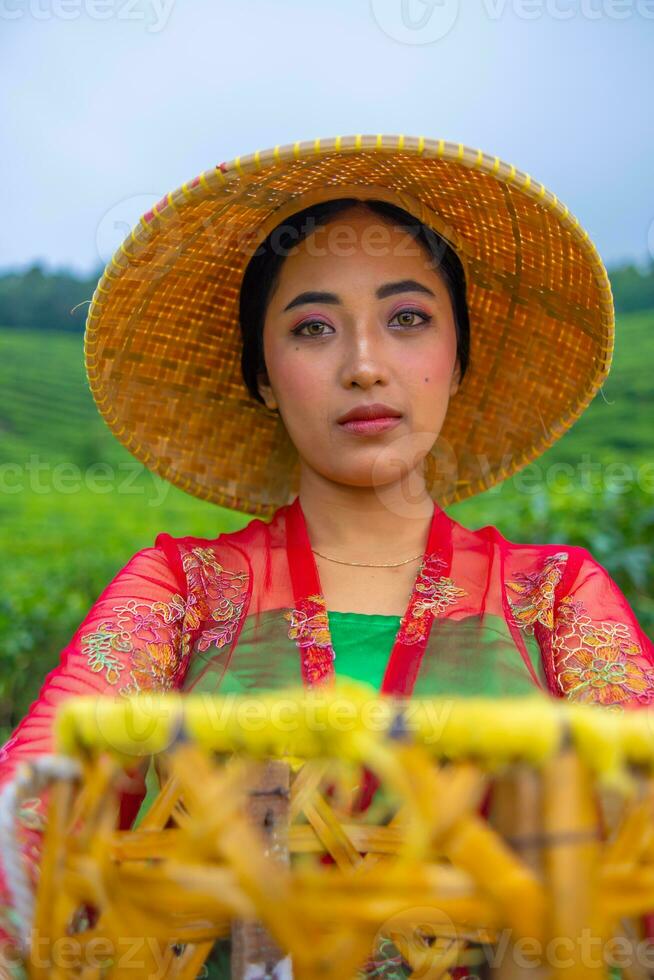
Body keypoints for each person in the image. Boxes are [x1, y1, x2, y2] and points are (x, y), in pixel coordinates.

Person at [0, 134, 652, 978]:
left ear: (458, 360)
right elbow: (40, 795)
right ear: (264, 376)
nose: (365, 365)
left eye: (408, 319)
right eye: (313, 329)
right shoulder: (182, 591)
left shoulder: (554, 598)